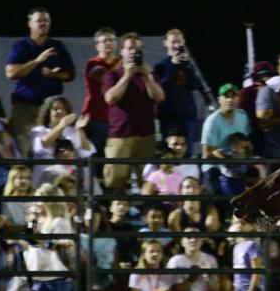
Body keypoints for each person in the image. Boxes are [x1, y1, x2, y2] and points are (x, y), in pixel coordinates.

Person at [4, 8, 75, 154]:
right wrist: (37, 61)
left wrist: (55, 75)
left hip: (51, 109)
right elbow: (11, 73)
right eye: (39, 20)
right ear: (30, 23)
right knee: (25, 149)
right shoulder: (21, 46)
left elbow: (70, 75)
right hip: (26, 107)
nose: (43, 24)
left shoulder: (58, 46)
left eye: (46, 21)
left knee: (53, 149)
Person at [101, 33, 165, 192]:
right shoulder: (112, 75)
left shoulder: (149, 75)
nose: (133, 52)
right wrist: (127, 75)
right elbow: (110, 98)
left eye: (137, 49)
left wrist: (147, 77)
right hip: (121, 136)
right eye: (129, 48)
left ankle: (146, 212)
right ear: (122, 51)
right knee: (115, 180)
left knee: (148, 183)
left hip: (146, 136)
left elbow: (160, 98)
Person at [153, 28, 207, 156]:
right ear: (165, 43)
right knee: (169, 154)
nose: (177, 45)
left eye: (179, 42)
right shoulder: (161, 66)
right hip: (169, 117)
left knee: (186, 154)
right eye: (173, 42)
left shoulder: (188, 65)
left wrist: (187, 66)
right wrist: (173, 65)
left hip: (188, 117)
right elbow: (160, 88)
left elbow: (196, 86)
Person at [201, 83, 252, 195]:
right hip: (215, 168)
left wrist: (243, 154)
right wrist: (227, 158)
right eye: (226, 96)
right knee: (222, 203)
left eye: (233, 96)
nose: (230, 99)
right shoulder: (211, 121)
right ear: (219, 99)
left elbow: (246, 142)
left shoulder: (243, 116)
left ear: (238, 98)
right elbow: (206, 153)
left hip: (237, 168)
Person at [30, 95, 94, 184]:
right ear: (48, 112)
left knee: (87, 173)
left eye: (63, 109)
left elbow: (86, 152)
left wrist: (80, 130)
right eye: (55, 109)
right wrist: (61, 125)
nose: (60, 111)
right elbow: (41, 146)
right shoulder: (39, 130)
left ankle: (97, 198)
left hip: (68, 184)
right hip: (44, 183)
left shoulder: (72, 132)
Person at [80, 27, 120, 158]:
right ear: (97, 45)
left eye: (111, 40)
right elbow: (105, 80)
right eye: (104, 41)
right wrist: (123, 62)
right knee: (98, 157)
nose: (108, 43)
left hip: (116, 119)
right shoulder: (93, 63)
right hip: (96, 118)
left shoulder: (121, 63)